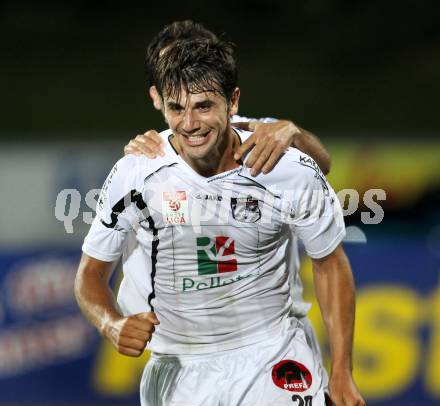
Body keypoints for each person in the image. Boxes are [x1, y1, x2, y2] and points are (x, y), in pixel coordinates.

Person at [75, 28, 364, 406]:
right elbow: (90, 274)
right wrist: (111, 324)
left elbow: (330, 261)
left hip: (272, 351)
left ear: (233, 101)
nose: (190, 124)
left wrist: (341, 371)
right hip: (179, 366)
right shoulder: (137, 171)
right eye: (177, 108)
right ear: (158, 100)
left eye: (204, 106)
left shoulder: (280, 161)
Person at [122, 19, 332, 398]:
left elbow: (323, 163)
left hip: (272, 335)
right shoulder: (146, 159)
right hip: (187, 351)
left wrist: (293, 132)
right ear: (158, 95)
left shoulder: (259, 133)